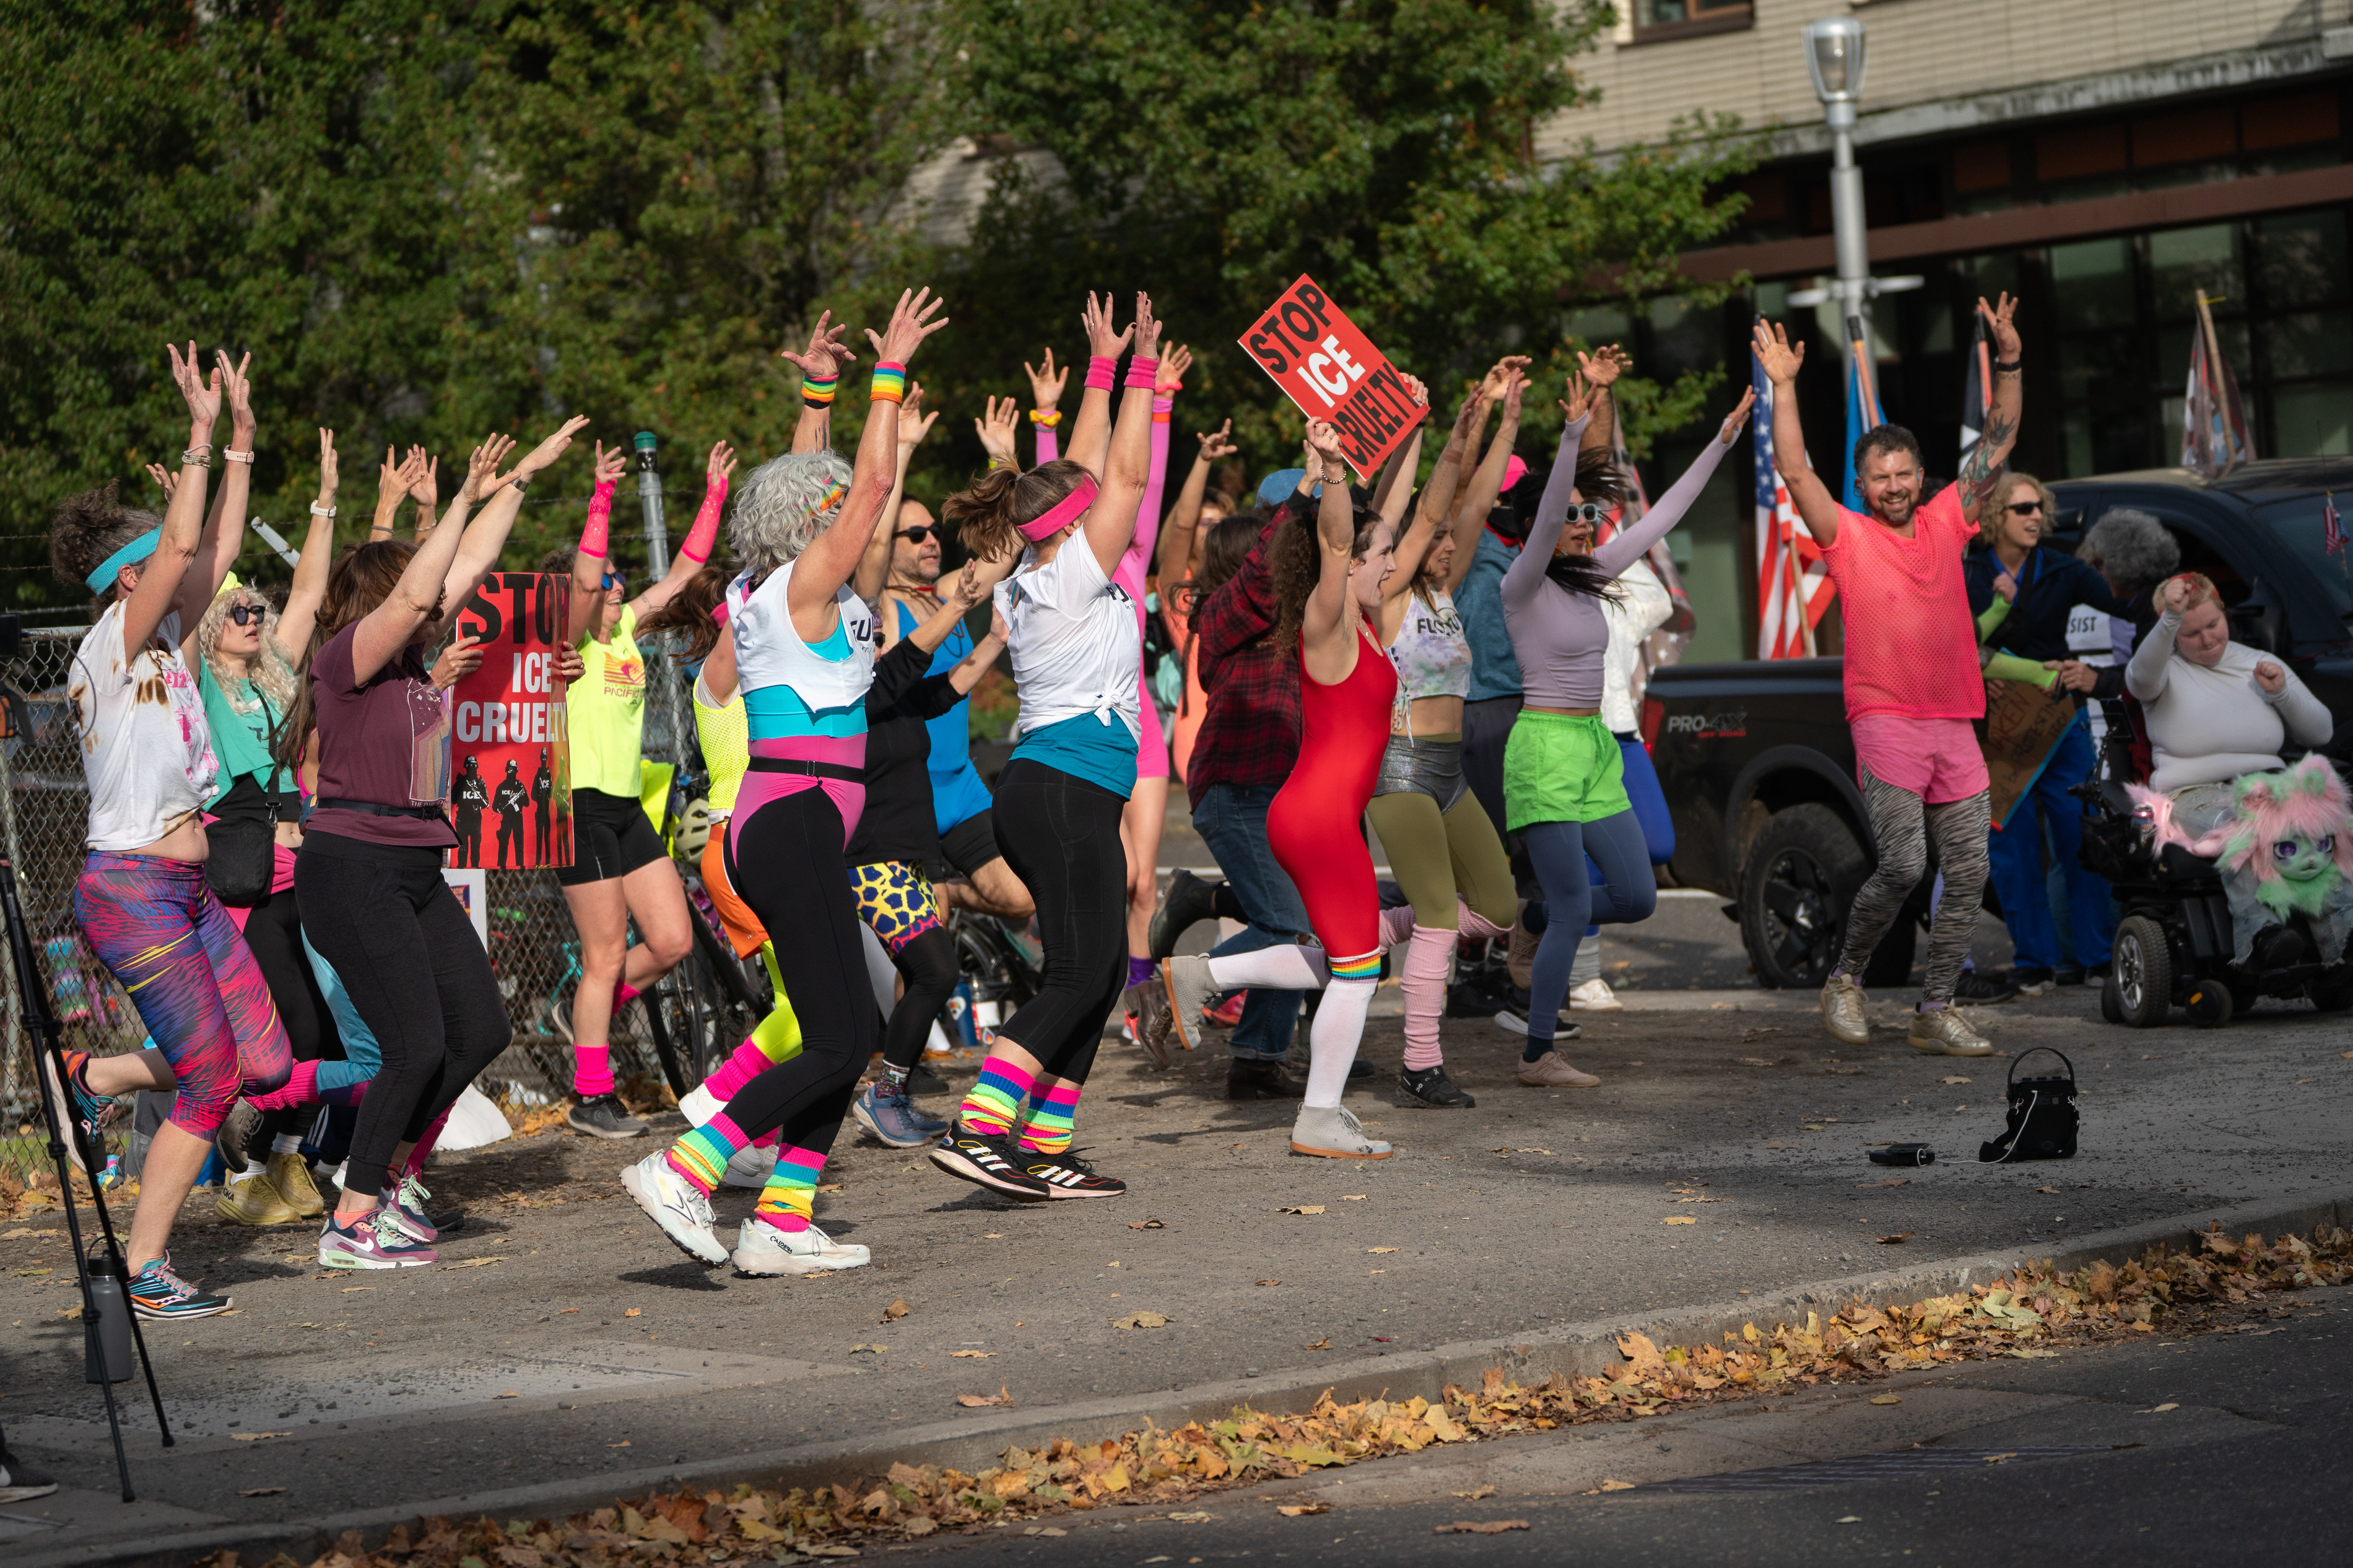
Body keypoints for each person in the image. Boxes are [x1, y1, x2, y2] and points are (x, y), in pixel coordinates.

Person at [619, 285, 946, 1276]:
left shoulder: (803, 593)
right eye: (836, 503)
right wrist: (885, 379)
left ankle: (780, 1219)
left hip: (801, 824)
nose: (860, 509)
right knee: (840, 1034)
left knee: (842, 1035)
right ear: (814, 521)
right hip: (793, 816)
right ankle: (687, 1167)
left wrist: (821, 395)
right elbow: (861, 497)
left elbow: (833, 495)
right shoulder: (800, 587)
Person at [289, 419, 578, 1268]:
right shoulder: (347, 661)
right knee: (413, 1047)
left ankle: (392, 1177)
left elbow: (465, 568)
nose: (441, 603)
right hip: (354, 873)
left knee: (478, 1030)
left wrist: (520, 476)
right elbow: (419, 592)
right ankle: (349, 1222)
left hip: (414, 871)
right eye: (421, 598)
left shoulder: (417, 671)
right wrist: (456, 496)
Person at [45, 344, 289, 1320]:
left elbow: (212, 556)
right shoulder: (111, 644)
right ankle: (145, 1268)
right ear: (127, 582)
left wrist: (237, 447)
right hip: (132, 891)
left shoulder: (169, 651)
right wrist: (192, 432)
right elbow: (186, 556)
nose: (190, 580)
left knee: (261, 1067)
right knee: (208, 1077)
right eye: (161, 568)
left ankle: (90, 1075)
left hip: (185, 891)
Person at [926, 291, 1162, 1201]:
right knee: (1075, 973)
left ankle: (1047, 1144)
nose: (1106, 501)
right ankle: (980, 1127)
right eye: (1089, 503)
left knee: (1096, 973)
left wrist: (1101, 366)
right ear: (1072, 521)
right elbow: (1125, 479)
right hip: (1061, 792)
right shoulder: (1064, 573)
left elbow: (1084, 469)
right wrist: (1141, 365)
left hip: (1055, 788)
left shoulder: (1040, 562)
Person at [1755, 297, 2027, 1058]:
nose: (1895, 485)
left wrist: (2007, 360)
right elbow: (1794, 468)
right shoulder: (1847, 535)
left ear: (1919, 475)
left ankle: (1934, 1008)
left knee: (1969, 867)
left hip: (1952, 719)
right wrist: (1783, 386)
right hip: (1884, 717)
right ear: (1863, 484)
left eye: (1904, 472)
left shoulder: (1949, 517)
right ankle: (1844, 977)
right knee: (1905, 864)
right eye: (1880, 477)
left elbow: (1998, 441)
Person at [1500, 365, 1754, 1087]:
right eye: (1570, 517)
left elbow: (1660, 517)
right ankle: (1537, 1053)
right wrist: (1574, 433)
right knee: (1581, 903)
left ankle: (1535, 916)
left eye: (1588, 516)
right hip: (1543, 749)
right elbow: (1548, 515)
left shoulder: (1594, 572)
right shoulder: (1519, 586)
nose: (1581, 524)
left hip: (1592, 748)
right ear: (1536, 532)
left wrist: (1721, 441)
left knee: (1637, 895)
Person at [1166, 417, 1399, 1158]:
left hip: (1303, 803)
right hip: (1278, 802)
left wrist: (1426, 431)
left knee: (1339, 957)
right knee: (1353, 965)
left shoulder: (1357, 621)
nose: (1391, 564)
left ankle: (1206, 975)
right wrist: (1327, 474)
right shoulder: (1308, 617)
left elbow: (1412, 521)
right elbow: (1331, 546)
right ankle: (1316, 1112)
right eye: (1379, 556)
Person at [544, 438, 735, 1139]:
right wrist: (601, 497)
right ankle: (591, 1095)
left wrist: (712, 497)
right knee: (603, 955)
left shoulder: (623, 629)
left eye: (622, 577)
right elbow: (587, 584)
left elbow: (684, 573)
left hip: (625, 809)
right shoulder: (572, 644)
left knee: (673, 939)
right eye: (604, 579)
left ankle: (583, 1015)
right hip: (578, 809)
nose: (617, 584)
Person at [1364, 365, 1525, 1107]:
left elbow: (1477, 500)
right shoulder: (1388, 598)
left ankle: (1353, 931)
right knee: (1436, 920)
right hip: (1397, 772)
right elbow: (1438, 505)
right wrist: (1460, 427)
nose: (1449, 544)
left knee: (1496, 906)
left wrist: (1511, 418)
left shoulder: (1443, 595)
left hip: (1448, 770)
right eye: (1435, 540)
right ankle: (1420, 1063)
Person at [1962, 471, 2136, 992]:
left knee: (2080, 838)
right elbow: (1948, 645)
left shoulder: (2064, 569)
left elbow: (2128, 605)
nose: (2036, 516)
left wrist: (2165, 592)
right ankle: (2034, 962)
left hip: (2060, 722)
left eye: (2039, 506)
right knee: (2012, 853)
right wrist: (1977, 674)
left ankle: (2096, 959)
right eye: (2022, 509)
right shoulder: (1967, 572)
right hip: (1996, 731)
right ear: (1995, 517)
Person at [2125, 572, 2332, 793]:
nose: (2207, 640)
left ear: (2223, 609)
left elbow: (2321, 734)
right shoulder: (2162, 669)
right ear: (2173, 634)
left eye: (2213, 624)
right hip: (2191, 796)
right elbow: (2140, 680)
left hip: (2269, 789)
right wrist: (2171, 618)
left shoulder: (2260, 662)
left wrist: (2283, 695)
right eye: (2192, 633)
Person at [493, 759, 528, 869]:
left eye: (513, 770)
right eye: (509, 769)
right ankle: (501, 868)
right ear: (506, 770)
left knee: (519, 846)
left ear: (516, 771)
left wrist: (519, 801)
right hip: (506, 820)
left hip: (518, 819)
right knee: (503, 845)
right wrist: (501, 809)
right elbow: (494, 806)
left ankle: (521, 868)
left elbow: (527, 803)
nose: (511, 772)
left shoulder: (520, 786)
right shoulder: (501, 787)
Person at [454, 754, 488, 864]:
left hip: (475, 820)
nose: (472, 770)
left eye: (473, 768)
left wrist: (478, 804)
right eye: (470, 768)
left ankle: (475, 868)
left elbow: (487, 802)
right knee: (463, 848)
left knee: (475, 849)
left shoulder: (480, 783)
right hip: (463, 820)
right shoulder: (461, 782)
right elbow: (453, 800)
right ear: (466, 768)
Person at [532, 749, 554, 860]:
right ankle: (538, 861)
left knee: (548, 838)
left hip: (549, 811)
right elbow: (533, 794)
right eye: (543, 758)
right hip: (540, 810)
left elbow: (554, 792)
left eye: (546, 758)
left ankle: (548, 861)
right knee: (539, 838)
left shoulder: (550, 774)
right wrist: (540, 798)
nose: (544, 760)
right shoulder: (538, 774)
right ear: (541, 759)